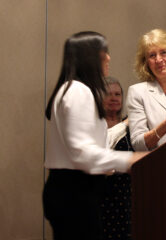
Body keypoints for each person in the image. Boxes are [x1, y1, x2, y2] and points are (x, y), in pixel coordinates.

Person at [42, 31, 146, 240]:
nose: (108, 58)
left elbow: (92, 143)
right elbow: (83, 153)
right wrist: (130, 159)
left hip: (71, 191)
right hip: (74, 194)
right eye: (104, 53)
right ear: (90, 57)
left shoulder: (72, 89)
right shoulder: (78, 92)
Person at [101, 77, 133, 240]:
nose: (114, 98)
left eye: (118, 94)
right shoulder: (95, 124)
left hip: (129, 197)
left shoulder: (133, 124)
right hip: (102, 197)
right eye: (109, 94)